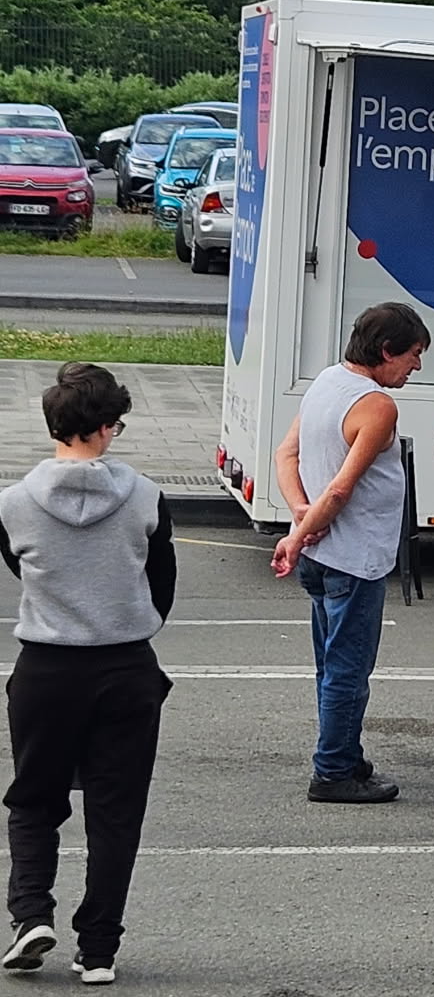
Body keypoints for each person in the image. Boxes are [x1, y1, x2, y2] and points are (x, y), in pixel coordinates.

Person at [0, 364, 176, 986]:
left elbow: (22, 569)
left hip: (47, 668)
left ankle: (30, 915)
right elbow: (163, 589)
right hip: (125, 666)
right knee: (115, 812)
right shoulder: (148, 497)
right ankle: (98, 948)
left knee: (33, 799)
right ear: (104, 429)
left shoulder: (14, 503)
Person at [272, 303, 430, 806]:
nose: (416, 366)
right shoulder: (377, 406)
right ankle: (334, 770)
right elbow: (342, 489)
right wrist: (299, 534)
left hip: (325, 555)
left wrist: (300, 516)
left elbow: (286, 454)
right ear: (386, 352)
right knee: (349, 669)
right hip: (355, 557)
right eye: (413, 355)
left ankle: (343, 750)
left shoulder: (326, 382)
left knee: (331, 664)